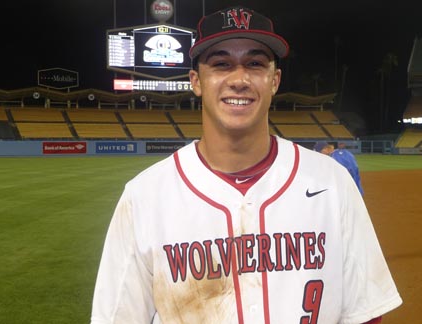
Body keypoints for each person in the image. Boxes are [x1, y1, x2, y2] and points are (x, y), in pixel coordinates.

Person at [91, 6, 402, 324]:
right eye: (221, 64)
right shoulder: (144, 198)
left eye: (255, 64)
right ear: (196, 81)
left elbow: (365, 315)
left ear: (274, 80)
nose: (239, 79)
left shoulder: (333, 184)